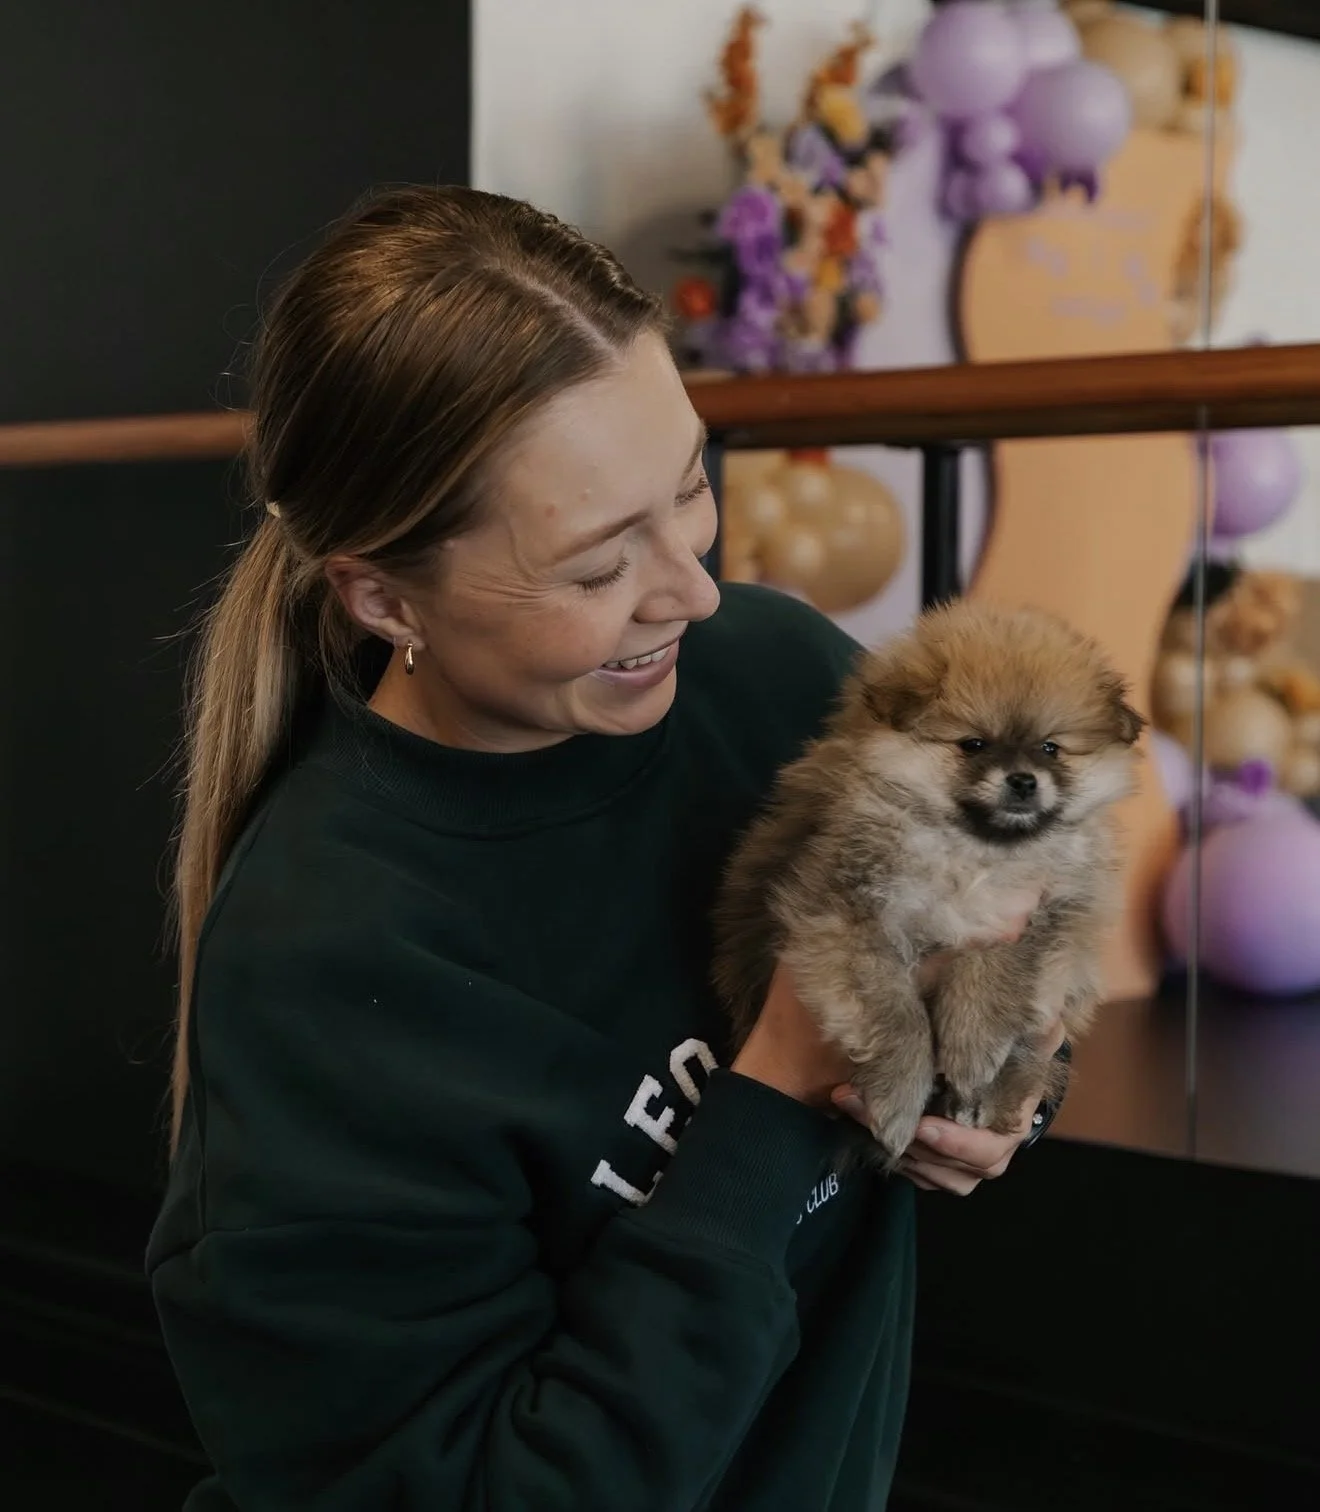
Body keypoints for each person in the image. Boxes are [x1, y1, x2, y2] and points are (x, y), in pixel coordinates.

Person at [148, 185, 1063, 1511]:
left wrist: (1003, 1081)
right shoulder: (328, 965)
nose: (693, 587)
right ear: (385, 595)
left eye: (689, 485)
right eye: (595, 568)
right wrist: (773, 1095)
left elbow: (1008, 935)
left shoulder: (780, 681)